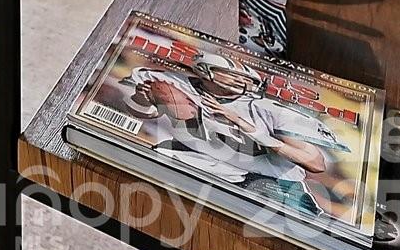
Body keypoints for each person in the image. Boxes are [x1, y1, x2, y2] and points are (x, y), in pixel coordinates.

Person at [128, 52, 349, 219]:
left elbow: (315, 163)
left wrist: (244, 125)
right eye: (233, 75)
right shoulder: (172, 83)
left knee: (305, 229)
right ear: (204, 71)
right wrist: (143, 98)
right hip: (207, 159)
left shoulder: (266, 109)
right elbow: (140, 112)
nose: (240, 83)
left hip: (269, 179)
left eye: (245, 79)